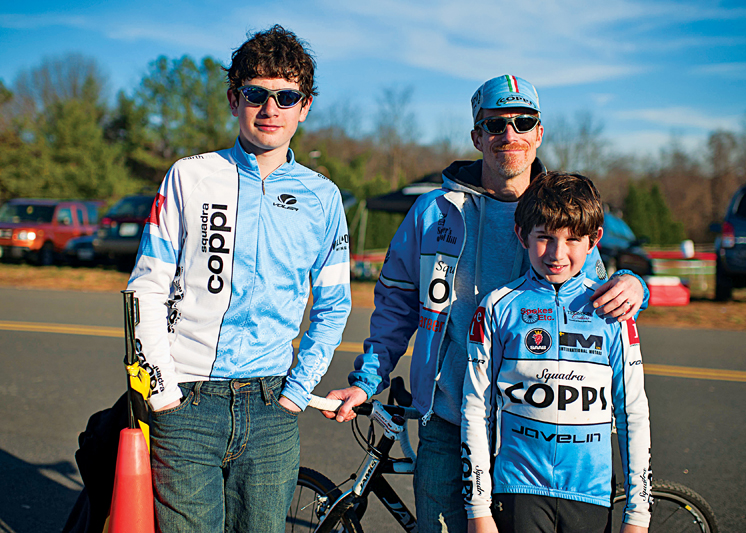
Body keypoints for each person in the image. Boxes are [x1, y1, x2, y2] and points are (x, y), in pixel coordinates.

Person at [325, 74, 648, 532]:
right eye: (496, 125)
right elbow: (396, 307)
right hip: (450, 418)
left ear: (539, 133)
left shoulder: (559, 217)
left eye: (523, 122)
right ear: (477, 135)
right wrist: (367, 380)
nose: (509, 135)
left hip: (534, 433)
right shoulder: (432, 212)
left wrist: (636, 285)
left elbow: (597, 300)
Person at [127, 25, 351, 533]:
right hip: (187, 403)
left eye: (286, 96)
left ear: (305, 106)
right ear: (235, 99)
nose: (271, 108)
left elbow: (334, 304)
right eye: (256, 94)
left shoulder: (324, 197)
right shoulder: (191, 175)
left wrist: (298, 390)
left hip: (273, 407)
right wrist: (163, 391)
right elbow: (147, 286)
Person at [461, 171, 651, 533]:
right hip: (517, 491)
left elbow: (633, 414)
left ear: (594, 239)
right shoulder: (498, 307)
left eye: (572, 239)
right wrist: (478, 509)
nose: (557, 254)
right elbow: (476, 411)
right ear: (522, 235)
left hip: (590, 495)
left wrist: (638, 516)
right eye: (544, 238)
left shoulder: (612, 310)